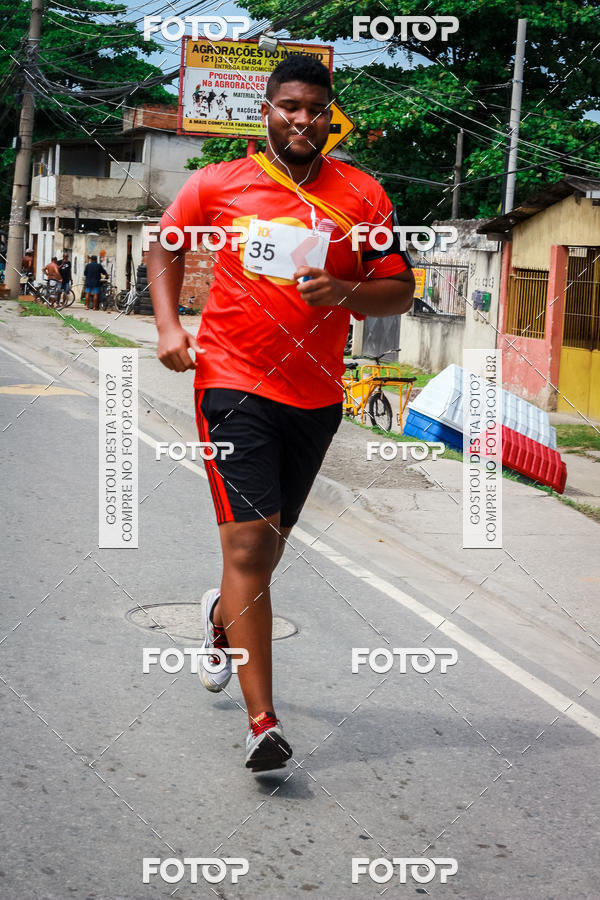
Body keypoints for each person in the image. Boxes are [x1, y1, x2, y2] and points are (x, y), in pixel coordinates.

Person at [147, 54, 414, 772]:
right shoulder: (220, 183)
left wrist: (345, 293)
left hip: (317, 396)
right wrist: (170, 326)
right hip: (232, 385)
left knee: (266, 554)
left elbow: (398, 289)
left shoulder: (363, 195)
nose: (302, 119)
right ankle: (262, 722)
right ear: (266, 111)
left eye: (314, 108)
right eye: (288, 106)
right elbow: (165, 247)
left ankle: (216, 619)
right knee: (247, 550)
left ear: (330, 115)